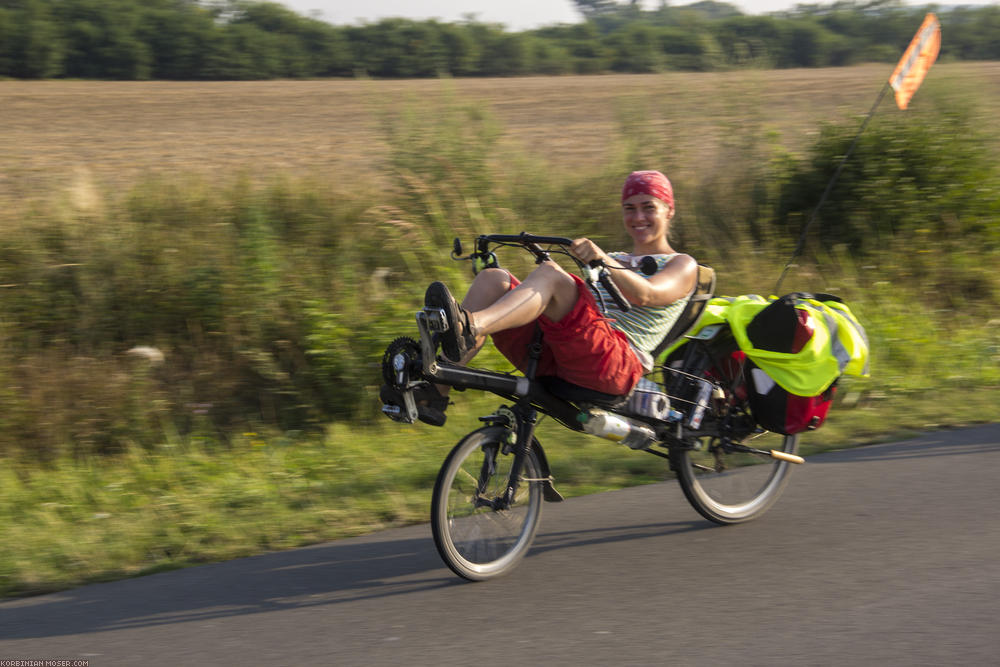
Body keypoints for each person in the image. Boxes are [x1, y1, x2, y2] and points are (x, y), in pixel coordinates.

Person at [387, 170, 697, 426]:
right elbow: (573, 308)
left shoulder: (682, 264)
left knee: (552, 275)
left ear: (669, 211)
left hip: (616, 366)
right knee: (494, 279)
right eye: (630, 208)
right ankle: (434, 387)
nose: (638, 216)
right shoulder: (616, 258)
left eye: (648, 207)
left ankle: (468, 327)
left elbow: (646, 294)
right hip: (567, 353)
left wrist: (601, 261)